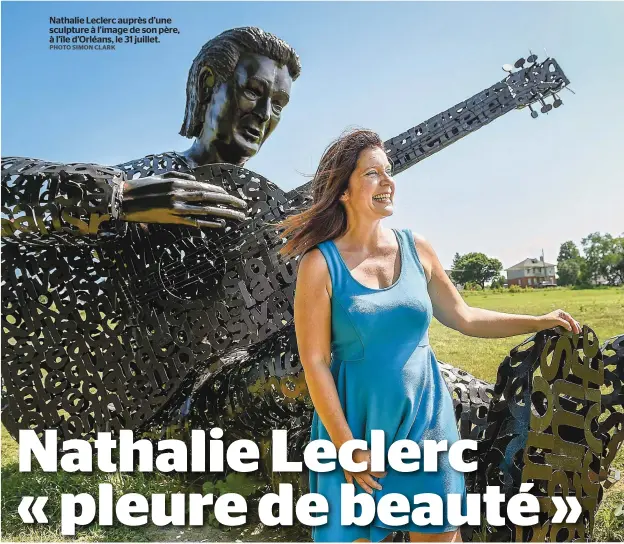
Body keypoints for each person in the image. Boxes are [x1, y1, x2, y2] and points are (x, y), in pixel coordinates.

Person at [280, 128, 581, 543]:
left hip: (426, 425)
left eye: (389, 172)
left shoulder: (417, 248)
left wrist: (538, 321)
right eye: (372, 174)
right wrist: (346, 445)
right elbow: (315, 362)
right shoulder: (319, 264)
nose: (388, 182)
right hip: (354, 426)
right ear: (343, 191)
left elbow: (465, 317)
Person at [1, 26, 301, 440]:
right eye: (253, 91)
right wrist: (118, 197)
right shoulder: (141, 178)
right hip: (109, 419)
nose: (265, 114)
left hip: (212, 409)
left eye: (279, 106)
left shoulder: (271, 226)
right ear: (208, 84)